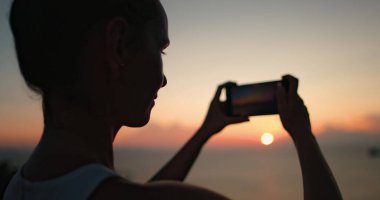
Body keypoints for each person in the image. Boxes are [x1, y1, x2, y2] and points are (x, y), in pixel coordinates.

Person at [3, 0, 342, 199]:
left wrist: (205, 130)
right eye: (160, 48)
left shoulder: (20, 186)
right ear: (118, 45)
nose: (163, 79)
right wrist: (303, 135)